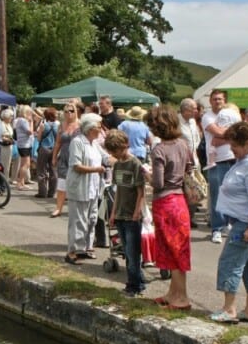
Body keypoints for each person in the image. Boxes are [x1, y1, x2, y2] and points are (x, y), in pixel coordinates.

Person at [210, 121, 248, 324]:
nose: (232, 149)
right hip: (246, 221)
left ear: (247, 142)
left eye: (235, 145)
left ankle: (229, 309)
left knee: (230, 261)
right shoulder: (246, 160)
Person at [145, 105, 193, 310]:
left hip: (165, 203)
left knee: (173, 251)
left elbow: (158, 183)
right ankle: (173, 293)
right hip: (180, 201)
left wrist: (145, 174)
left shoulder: (159, 150)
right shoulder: (183, 144)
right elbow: (190, 168)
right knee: (178, 248)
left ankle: (181, 298)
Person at [105, 129, 146, 296]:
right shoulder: (118, 165)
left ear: (124, 146)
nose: (115, 155)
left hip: (132, 215)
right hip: (120, 213)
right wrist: (113, 213)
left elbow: (140, 191)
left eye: (116, 151)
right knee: (126, 251)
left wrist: (137, 212)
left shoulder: (135, 164)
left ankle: (133, 285)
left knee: (132, 252)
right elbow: (118, 191)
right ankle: (137, 281)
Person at [64, 113, 108, 264]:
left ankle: (87, 248)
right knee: (78, 221)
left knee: (92, 219)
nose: (101, 129)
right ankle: (72, 251)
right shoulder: (77, 142)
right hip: (80, 187)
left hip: (93, 188)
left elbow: (107, 158)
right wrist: (97, 169)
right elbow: (76, 166)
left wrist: (126, 158)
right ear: (90, 128)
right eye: (98, 126)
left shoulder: (94, 143)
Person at [202, 89, 241, 244]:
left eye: (220, 99)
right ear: (210, 101)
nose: (217, 101)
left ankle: (228, 224)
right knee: (217, 195)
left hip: (233, 158)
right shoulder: (207, 116)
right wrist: (230, 135)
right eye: (214, 99)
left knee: (231, 194)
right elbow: (217, 131)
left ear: (224, 101)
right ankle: (217, 228)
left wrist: (223, 138)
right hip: (216, 161)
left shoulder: (231, 113)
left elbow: (237, 132)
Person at [51, 101, 81, 218]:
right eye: (66, 111)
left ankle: (76, 209)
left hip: (76, 157)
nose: (69, 113)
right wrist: (54, 157)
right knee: (62, 184)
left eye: (72, 110)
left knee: (77, 184)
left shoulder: (80, 125)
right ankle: (58, 208)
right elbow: (58, 142)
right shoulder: (61, 125)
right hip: (63, 157)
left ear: (76, 112)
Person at [179, 98, 202, 227]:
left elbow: (197, 139)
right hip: (182, 162)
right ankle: (183, 217)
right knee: (184, 190)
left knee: (193, 189)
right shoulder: (177, 122)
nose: (196, 111)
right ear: (186, 109)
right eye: (194, 108)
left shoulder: (193, 122)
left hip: (194, 160)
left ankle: (189, 217)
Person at [35, 107, 59, 198]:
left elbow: (38, 138)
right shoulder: (58, 125)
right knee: (53, 170)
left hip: (44, 148)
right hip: (54, 149)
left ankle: (42, 192)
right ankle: (51, 192)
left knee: (41, 170)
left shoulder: (43, 125)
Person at [14, 105, 35, 191]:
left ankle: (22, 182)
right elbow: (30, 132)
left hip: (25, 144)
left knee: (24, 164)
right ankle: (19, 183)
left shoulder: (20, 120)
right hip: (24, 145)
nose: (31, 114)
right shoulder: (23, 121)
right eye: (29, 112)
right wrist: (31, 122)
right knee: (26, 164)